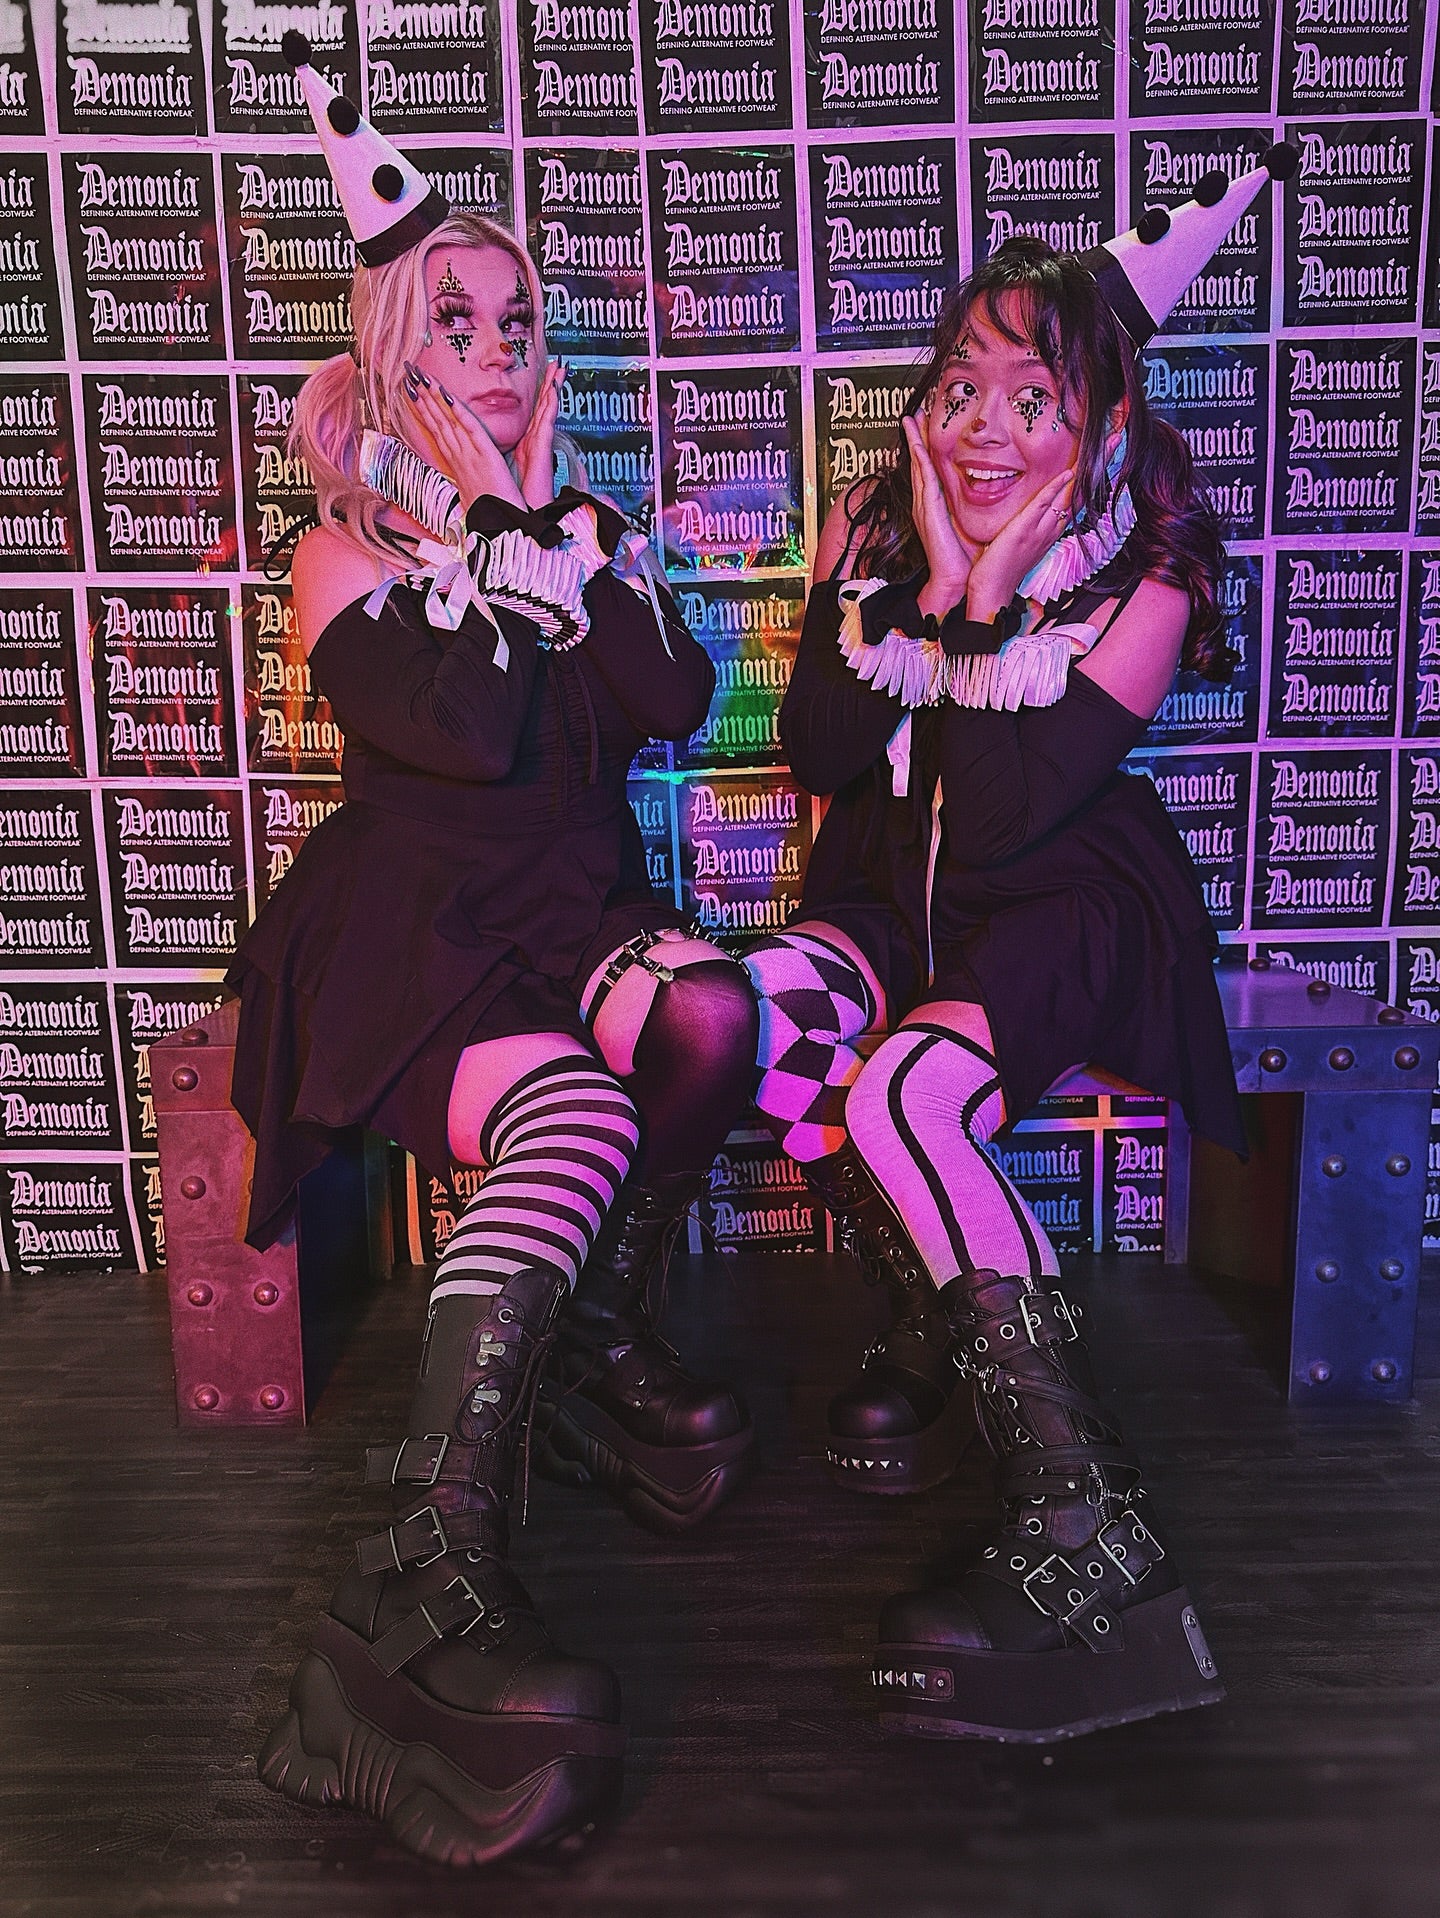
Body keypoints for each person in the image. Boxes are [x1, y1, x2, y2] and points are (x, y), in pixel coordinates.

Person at [230, 39, 758, 1863]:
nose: (502, 348)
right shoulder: (344, 552)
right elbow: (459, 731)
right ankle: (419, 1574)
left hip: (573, 905)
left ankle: (595, 1343)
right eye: (456, 323)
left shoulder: (586, 530)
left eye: (518, 320)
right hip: (419, 924)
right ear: (395, 351)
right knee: (576, 1116)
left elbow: (673, 699)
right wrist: (502, 539)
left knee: (711, 1018)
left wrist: (569, 544)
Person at [743, 153, 1293, 1742]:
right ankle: (936, 1323)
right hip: (885, 888)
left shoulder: (1147, 576)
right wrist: (910, 561)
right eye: (963, 385)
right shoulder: (871, 526)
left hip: (1063, 901)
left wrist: (977, 590)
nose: (984, 427)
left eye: (1032, 396)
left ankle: (1089, 1527)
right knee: (740, 1017)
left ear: (1100, 426)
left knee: (907, 1096)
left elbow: (997, 823)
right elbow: (818, 744)